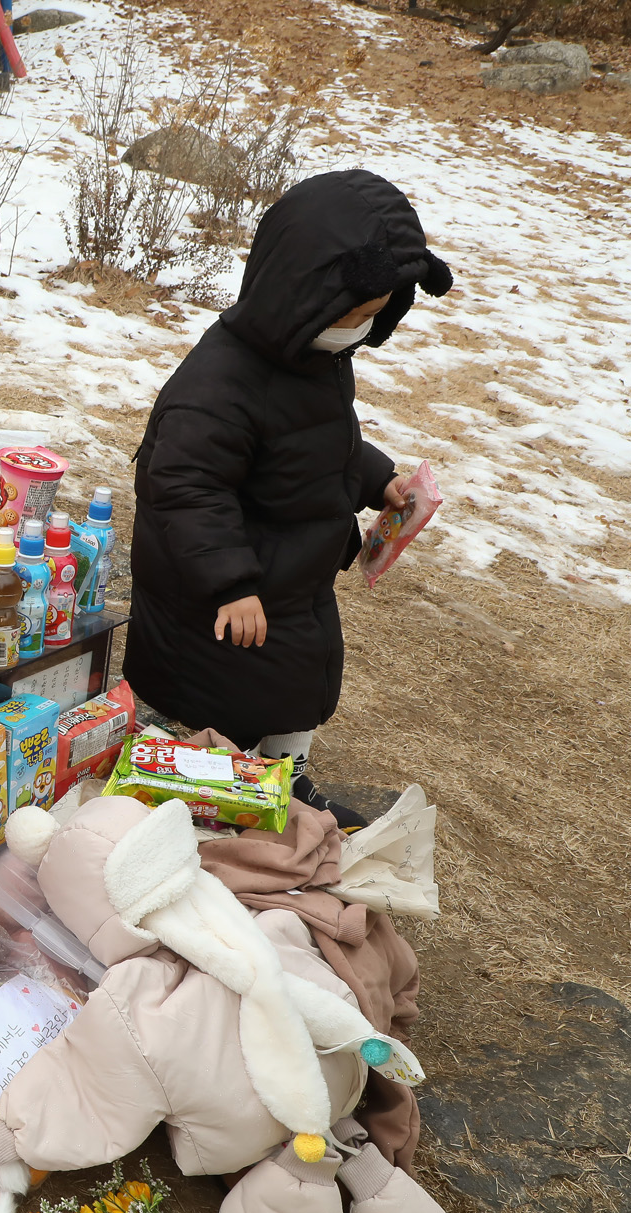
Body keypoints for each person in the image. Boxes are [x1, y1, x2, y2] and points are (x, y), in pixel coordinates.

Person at [123, 170, 454, 830]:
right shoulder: (217, 386)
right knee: (233, 692)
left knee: (300, 678)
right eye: (351, 315)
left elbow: (315, 442)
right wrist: (231, 582)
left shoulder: (312, 356)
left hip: (289, 568)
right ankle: (220, 786)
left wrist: (375, 478)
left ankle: (288, 773)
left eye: (370, 317)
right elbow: (186, 489)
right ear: (301, 295)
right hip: (220, 587)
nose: (356, 331)